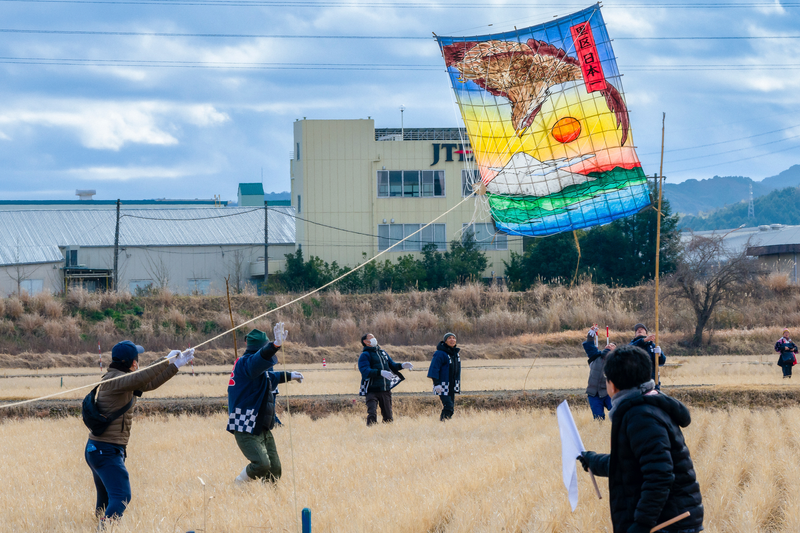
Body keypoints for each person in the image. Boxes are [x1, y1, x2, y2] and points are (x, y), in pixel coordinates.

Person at [577, 345, 704, 533]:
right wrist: (593, 461)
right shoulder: (644, 405)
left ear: (613, 385)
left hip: (669, 524)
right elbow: (632, 463)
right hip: (667, 520)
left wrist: (641, 525)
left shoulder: (641, 416)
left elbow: (659, 476)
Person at [85, 340, 194, 522]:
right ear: (133, 363)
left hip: (100, 449)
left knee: (106, 499)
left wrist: (175, 365)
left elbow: (148, 383)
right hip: (105, 450)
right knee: (121, 496)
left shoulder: (122, 379)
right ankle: (104, 529)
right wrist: (165, 360)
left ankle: (96, 525)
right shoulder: (116, 380)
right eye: (137, 359)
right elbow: (140, 378)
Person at [228, 323, 304, 484]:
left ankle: (270, 496)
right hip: (245, 425)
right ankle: (238, 484)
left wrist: (290, 375)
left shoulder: (256, 369)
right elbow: (258, 360)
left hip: (261, 424)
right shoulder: (245, 363)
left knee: (274, 469)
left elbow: (271, 377)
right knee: (262, 464)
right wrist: (274, 345)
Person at [358, 333, 413, 426]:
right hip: (371, 390)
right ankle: (371, 431)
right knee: (372, 413)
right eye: (371, 337)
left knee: (388, 416)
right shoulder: (365, 355)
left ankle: (387, 431)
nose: (374, 338)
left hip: (385, 389)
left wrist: (402, 365)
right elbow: (365, 370)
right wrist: (380, 372)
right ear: (365, 342)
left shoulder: (383, 353)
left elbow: (392, 365)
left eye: (374, 337)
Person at [583, 325, 616, 420]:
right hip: (593, 393)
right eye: (608, 345)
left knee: (618, 413)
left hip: (609, 393)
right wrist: (591, 334)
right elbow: (590, 346)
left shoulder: (617, 361)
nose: (610, 345)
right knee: (598, 418)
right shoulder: (595, 356)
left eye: (613, 346)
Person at [427, 332, 462, 421]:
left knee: (451, 407)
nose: (452, 340)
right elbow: (434, 368)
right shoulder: (440, 353)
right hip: (443, 385)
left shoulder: (455, 354)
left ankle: (446, 423)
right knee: (448, 406)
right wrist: (436, 384)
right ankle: (442, 422)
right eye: (449, 338)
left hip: (452, 385)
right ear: (445, 341)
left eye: (454, 338)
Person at [630, 323, 666, 389]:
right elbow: (629, 350)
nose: (639, 330)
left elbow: (661, 362)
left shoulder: (653, 346)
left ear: (646, 334)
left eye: (642, 329)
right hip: (635, 383)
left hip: (652, 382)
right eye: (637, 330)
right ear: (635, 335)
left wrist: (660, 355)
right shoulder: (632, 345)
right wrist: (644, 340)